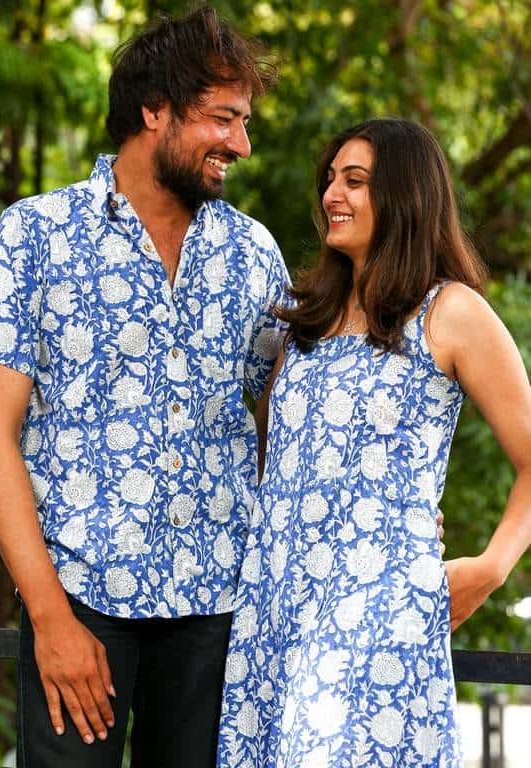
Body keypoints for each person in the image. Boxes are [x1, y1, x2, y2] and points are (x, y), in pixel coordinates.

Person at [0, 7, 290, 767]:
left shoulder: (253, 253)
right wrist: (50, 619)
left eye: (243, 122)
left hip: (216, 608)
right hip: (79, 601)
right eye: (223, 119)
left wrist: (386, 509)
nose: (241, 144)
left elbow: (288, 422)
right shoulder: (35, 236)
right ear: (154, 109)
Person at [217, 118, 531, 768]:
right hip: (274, 613)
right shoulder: (306, 319)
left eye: (355, 181)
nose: (332, 194)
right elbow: (279, 461)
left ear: (406, 194)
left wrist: (489, 569)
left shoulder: (450, 311)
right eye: (331, 179)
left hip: (377, 614)